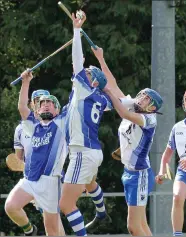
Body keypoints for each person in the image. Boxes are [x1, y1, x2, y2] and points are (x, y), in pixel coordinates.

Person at [91, 46, 163, 236]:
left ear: (153, 107)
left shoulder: (149, 119)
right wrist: (101, 58)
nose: (141, 99)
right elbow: (113, 84)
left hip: (139, 174)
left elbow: (121, 111)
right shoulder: (134, 106)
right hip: (129, 172)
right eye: (141, 95)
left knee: (133, 227)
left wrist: (106, 90)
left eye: (146, 99)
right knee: (143, 226)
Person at [59, 12, 112, 236]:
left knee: (65, 204)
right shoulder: (99, 98)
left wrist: (77, 31)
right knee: (90, 183)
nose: (82, 72)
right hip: (92, 151)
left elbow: (76, 61)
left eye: (87, 72)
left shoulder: (84, 89)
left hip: (82, 152)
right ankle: (101, 212)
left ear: (92, 81)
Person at [5, 71, 70, 236]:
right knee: (10, 206)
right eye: (42, 103)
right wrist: (25, 81)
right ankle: (30, 231)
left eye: (50, 102)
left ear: (57, 109)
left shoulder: (62, 123)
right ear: (36, 109)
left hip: (50, 183)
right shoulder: (30, 126)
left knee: (53, 230)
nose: (46, 104)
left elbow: (75, 102)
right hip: (30, 180)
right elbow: (21, 107)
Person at [155, 90, 186, 236]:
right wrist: (161, 171)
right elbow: (168, 152)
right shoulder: (177, 127)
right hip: (183, 173)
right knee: (177, 197)